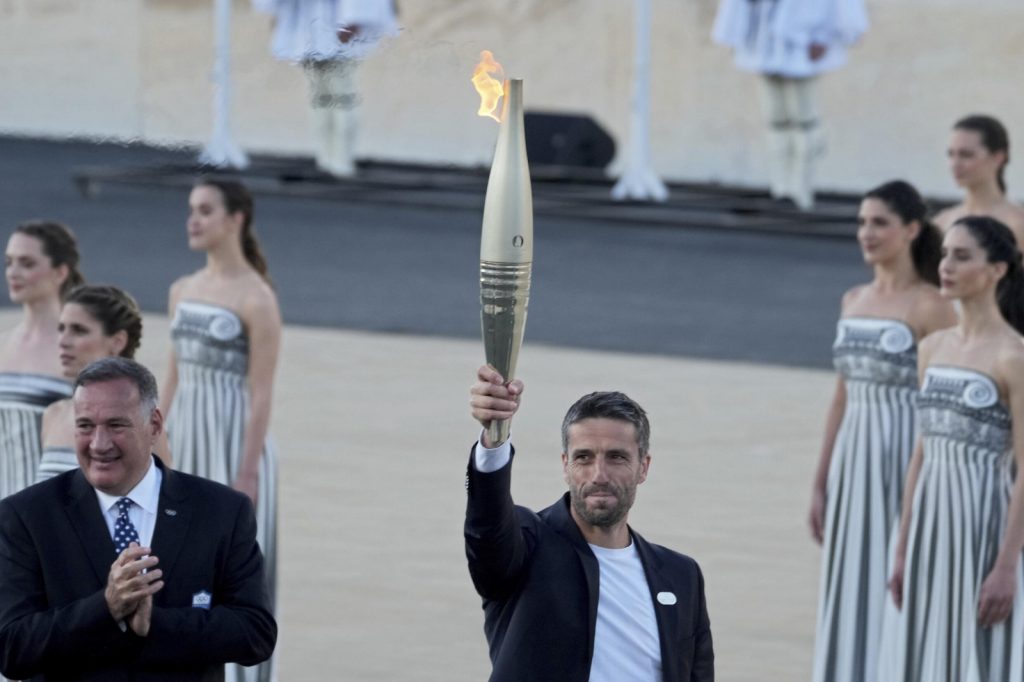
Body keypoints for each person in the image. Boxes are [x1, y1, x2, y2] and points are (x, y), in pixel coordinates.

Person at [0, 357, 276, 680]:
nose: (99, 444)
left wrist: (156, 625)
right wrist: (105, 608)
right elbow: (11, 648)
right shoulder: (27, 517)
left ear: (155, 425)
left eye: (116, 425)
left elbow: (256, 632)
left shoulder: (221, 511)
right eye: (85, 425)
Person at [466, 365, 714, 681]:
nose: (599, 475)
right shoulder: (527, 544)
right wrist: (494, 441)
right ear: (566, 465)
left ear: (643, 467)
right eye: (584, 457)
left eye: (617, 457)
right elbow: (486, 528)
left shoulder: (681, 575)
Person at [807, 181, 956, 681]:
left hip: (904, 456)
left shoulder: (931, 305)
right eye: (862, 222)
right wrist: (821, 478)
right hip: (854, 459)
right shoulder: (853, 298)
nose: (866, 233)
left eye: (880, 223)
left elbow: (942, 394)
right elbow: (841, 395)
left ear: (911, 230)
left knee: (898, 575)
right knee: (850, 576)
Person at [878, 216, 1024, 680]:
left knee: (981, 654)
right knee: (925, 650)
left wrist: (1006, 565)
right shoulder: (933, 348)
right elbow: (920, 452)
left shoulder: (1014, 357)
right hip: (929, 523)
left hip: (986, 520)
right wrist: (902, 546)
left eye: (963, 257)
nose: (947, 265)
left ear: (998, 270)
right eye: (945, 254)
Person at [161, 179, 280, 682]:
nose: (193, 219)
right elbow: (169, 378)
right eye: (191, 209)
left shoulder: (257, 298)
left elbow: (261, 394)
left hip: (233, 442)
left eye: (205, 210)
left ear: (236, 219)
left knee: (234, 570)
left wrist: (247, 475)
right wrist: (153, 441)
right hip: (185, 435)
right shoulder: (181, 290)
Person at [712, 0, 868, 210]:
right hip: (765, 42)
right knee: (776, 119)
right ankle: (781, 189)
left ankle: (800, 192)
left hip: (802, 43)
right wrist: (740, 29)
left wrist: (824, 35)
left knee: (804, 120)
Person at [250, 0, 399, 177]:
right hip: (309, 29)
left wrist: (352, 20)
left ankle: (342, 160)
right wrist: (282, 16)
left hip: (337, 27)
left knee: (341, 96)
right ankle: (325, 158)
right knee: (320, 97)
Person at [38, 284, 170, 482]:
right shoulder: (53, 416)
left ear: (117, 341)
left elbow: (165, 497)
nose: (63, 341)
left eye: (79, 330)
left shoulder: (143, 421)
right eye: (61, 328)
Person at [0, 221, 84, 499]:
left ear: (60, 272)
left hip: (49, 513)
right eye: (9, 262)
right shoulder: (4, 342)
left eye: (27, 263)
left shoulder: (80, 347)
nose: (13, 272)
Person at [933, 115, 1024, 246]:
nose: (955, 164)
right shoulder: (941, 223)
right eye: (951, 154)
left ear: (998, 157)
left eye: (966, 155)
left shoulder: (1018, 223)